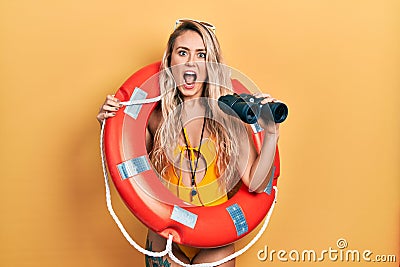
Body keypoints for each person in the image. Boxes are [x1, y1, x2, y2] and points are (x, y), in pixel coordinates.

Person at [97, 19, 280, 267]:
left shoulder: (228, 118)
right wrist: (109, 126)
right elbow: (128, 164)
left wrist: (271, 134)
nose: (190, 63)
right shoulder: (154, 117)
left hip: (216, 232)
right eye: (182, 53)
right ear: (170, 61)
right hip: (165, 232)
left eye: (201, 54)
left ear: (210, 64)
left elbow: (256, 184)